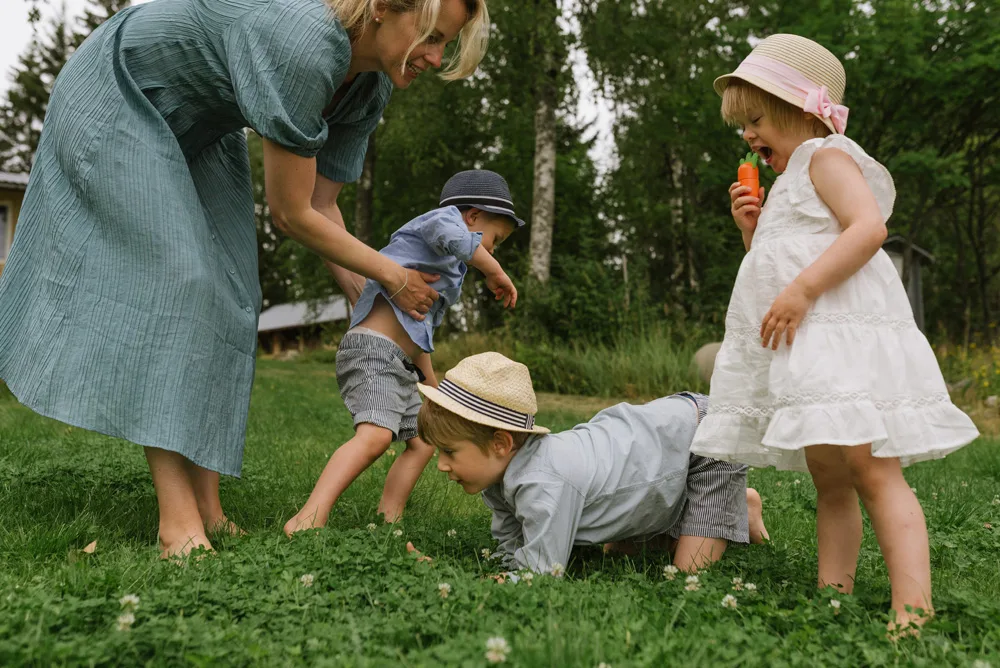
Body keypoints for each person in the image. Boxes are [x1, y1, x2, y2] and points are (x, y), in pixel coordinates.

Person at [0, 0, 489, 558]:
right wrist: (394, 276)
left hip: (205, 125)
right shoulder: (307, 43)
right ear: (381, 8)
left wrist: (372, 295)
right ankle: (176, 520)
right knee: (183, 283)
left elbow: (322, 205)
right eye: (430, 36)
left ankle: (208, 506)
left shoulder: (368, 85)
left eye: (445, 43)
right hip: (121, 92)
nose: (435, 56)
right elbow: (289, 213)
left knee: (234, 294)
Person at [690, 34, 980, 630]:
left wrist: (801, 291)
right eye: (741, 124)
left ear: (802, 110)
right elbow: (776, 264)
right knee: (829, 476)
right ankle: (833, 595)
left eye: (756, 118)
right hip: (809, 354)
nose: (747, 134)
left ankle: (913, 608)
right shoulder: (788, 183)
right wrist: (753, 230)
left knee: (872, 468)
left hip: (843, 341)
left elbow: (868, 228)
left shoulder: (828, 158)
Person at [284, 170, 521, 534]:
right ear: (472, 216)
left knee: (424, 442)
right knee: (376, 436)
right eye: (495, 239)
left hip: (403, 361)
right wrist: (494, 270)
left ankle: (388, 517)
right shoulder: (442, 222)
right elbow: (461, 241)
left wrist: (432, 387)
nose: (491, 250)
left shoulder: (444, 268)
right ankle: (308, 517)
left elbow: (419, 329)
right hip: (372, 350)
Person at [414, 352, 769, 575]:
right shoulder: (498, 476)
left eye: (450, 452)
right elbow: (513, 543)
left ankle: (733, 509)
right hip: (654, 455)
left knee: (690, 574)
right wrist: (505, 566)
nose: (441, 465)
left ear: (501, 443)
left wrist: (451, 576)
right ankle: (735, 509)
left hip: (702, 442)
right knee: (619, 553)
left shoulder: (544, 483)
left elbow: (541, 572)